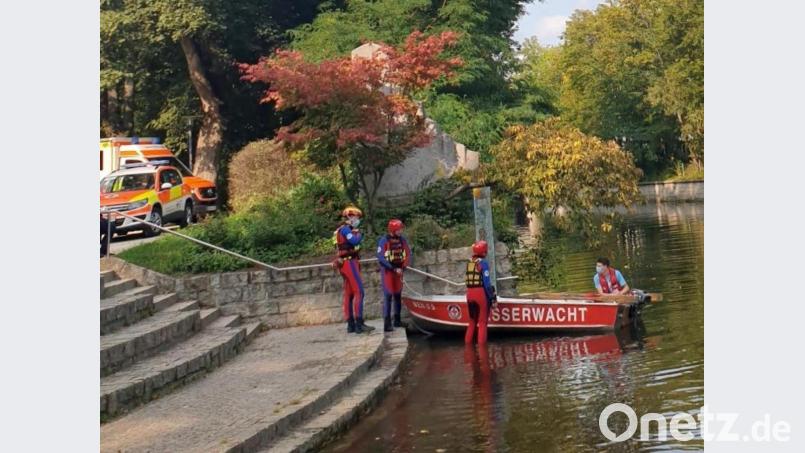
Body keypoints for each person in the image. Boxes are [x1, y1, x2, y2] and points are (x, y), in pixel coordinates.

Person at [334, 206, 374, 334]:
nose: (358, 220)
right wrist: (358, 233)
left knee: (349, 294)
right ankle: (359, 323)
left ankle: (350, 324)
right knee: (359, 292)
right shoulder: (346, 230)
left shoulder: (341, 230)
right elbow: (355, 240)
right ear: (350, 217)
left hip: (346, 263)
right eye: (356, 217)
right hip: (349, 263)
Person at [376, 219, 412, 332]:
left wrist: (403, 267)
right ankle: (387, 324)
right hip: (388, 271)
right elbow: (380, 257)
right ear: (393, 229)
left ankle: (397, 321)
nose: (401, 231)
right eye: (399, 229)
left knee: (397, 295)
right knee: (388, 296)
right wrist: (392, 268)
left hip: (399, 271)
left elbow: (408, 254)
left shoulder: (402, 240)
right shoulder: (384, 241)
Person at [464, 240, 497, 344]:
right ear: (484, 251)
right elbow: (487, 284)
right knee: (482, 322)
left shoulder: (470, 263)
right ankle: (483, 351)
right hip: (480, 294)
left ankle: (468, 347)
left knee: (472, 321)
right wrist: (492, 298)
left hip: (469, 294)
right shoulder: (483, 264)